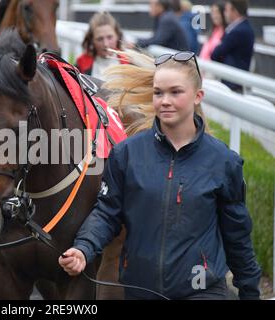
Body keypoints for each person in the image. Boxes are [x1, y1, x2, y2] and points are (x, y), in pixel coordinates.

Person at [59, 50, 262, 300]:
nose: (165, 100)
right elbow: (107, 212)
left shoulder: (224, 162)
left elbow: (237, 238)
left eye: (175, 92)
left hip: (202, 292)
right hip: (140, 291)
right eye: (158, 93)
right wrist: (84, 248)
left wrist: (250, 292)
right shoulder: (125, 154)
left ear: (198, 96)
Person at [211, 0, 254, 92]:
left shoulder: (238, 31)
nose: (225, 13)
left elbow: (215, 54)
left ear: (235, 11)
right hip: (233, 80)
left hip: (232, 83)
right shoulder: (241, 28)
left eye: (226, 10)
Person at [76, 11, 128, 80]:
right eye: (99, 39)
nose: (105, 44)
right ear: (92, 40)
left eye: (109, 37)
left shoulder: (129, 62)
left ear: (117, 35)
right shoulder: (81, 64)